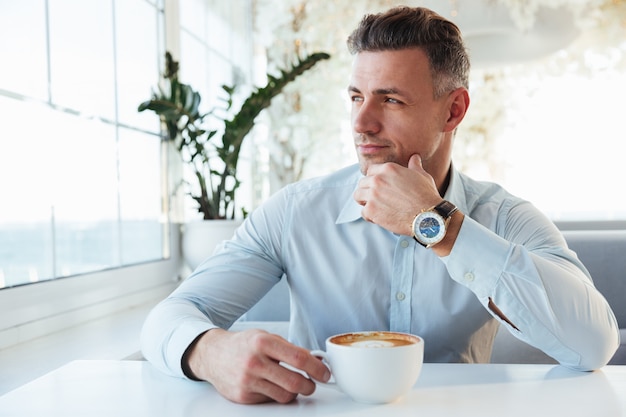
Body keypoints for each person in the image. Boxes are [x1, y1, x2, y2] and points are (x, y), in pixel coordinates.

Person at [141, 6, 620, 405]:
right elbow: (171, 315)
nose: (362, 122)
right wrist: (206, 351)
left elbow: (593, 344)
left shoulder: (504, 217)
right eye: (356, 97)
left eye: (390, 100)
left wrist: (438, 225)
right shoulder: (294, 213)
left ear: (453, 110)